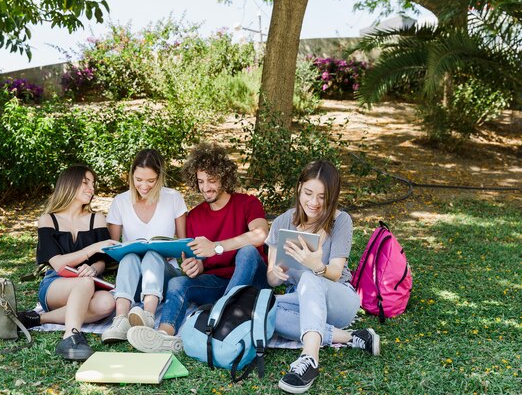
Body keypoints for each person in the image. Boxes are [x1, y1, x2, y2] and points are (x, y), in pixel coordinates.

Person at [126, 142, 269, 353]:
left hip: (251, 284)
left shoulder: (247, 203)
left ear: (225, 178)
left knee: (247, 251)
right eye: (201, 181)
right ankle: (164, 335)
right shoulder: (194, 216)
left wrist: (217, 247)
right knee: (177, 282)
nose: (205, 187)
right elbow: (200, 260)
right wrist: (197, 266)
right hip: (218, 284)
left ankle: (218, 318)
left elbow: (260, 234)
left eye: (212, 180)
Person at [265, 160, 380, 394]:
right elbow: (271, 280)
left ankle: (309, 360)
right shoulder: (282, 222)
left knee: (310, 278)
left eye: (322, 196)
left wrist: (316, 266)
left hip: (339, 299)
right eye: (308, 193)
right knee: (263, 309)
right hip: (303, 302)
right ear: (299, 188)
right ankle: (350, 337)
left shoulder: (341, 221)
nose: (314, 203)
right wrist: (277, 273)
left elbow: (336, 272)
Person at [17, 164, 118, 361]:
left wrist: (93, 268)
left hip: (89, 283)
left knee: (107, 302)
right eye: (85, 183)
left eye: (93, 183)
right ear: (69, 185)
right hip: (56, 284)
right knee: (85, 282)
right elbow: (58, 263)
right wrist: (91, 249)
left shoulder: (96, 218)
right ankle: (71, 336)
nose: (92, 188)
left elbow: (101, 261)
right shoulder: (48, 220)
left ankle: (38, 318)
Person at [100, 149, 187, 343]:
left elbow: (183, 244)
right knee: (130, 256)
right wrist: (124, 249)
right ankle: (120, 320)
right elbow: (114, 251)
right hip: (132, 278)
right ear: (131, 175)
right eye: (139, 179)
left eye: (151, 180)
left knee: (152, 255)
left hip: (165, 275)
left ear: (160, 177)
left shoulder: (173, 198)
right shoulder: (120, 201)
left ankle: (147, 317)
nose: (144, 186)